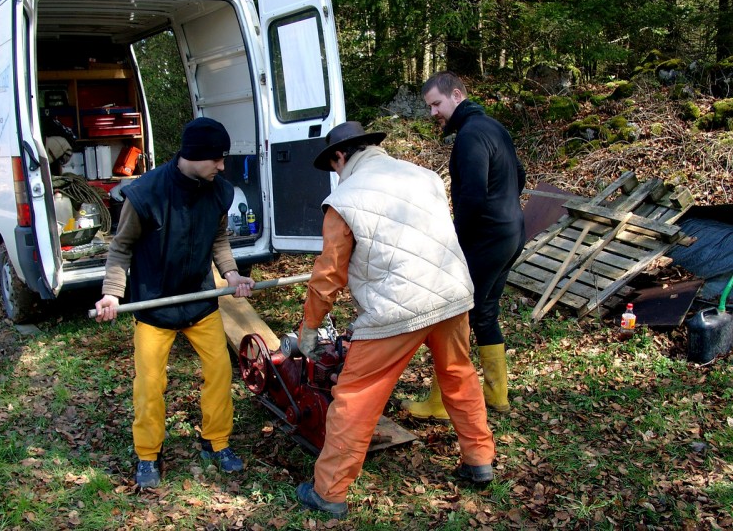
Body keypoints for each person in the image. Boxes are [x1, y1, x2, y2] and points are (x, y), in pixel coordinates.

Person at [294, 121, 495, 519]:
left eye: (333, 166)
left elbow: (329, 272)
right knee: (458, 374)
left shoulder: (346, 198)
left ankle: (328, 492)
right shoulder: (424, 176)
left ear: (340, 156)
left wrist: (310, 326)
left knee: (355, 397)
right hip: (452, 294)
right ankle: (479, 459)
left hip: (397, 307)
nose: (335, 173)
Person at [94, 117, 256, 488]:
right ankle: (148, 454)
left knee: (220, 373)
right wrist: (112, 293)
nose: (222, 166)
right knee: (150, 383)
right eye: (217, 159)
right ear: (195, 155)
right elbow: (120, 248)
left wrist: (230, 274)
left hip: (200, 301)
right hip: (154, 304)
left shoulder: (218, 190)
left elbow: (217, 239)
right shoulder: (146, 193)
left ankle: (215, 442)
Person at [403, 71, 525, 416]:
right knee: (485, 312)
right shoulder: (493, 127)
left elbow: (472, 197)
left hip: (486, 238)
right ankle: (496, 396)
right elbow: (521, 173)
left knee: (453, 314)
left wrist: (453, 242)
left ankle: (441, 402)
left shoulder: (470, 135)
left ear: (457, 95)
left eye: (436, 104)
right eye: (429, 107)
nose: (433, 113)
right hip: (512, 232)